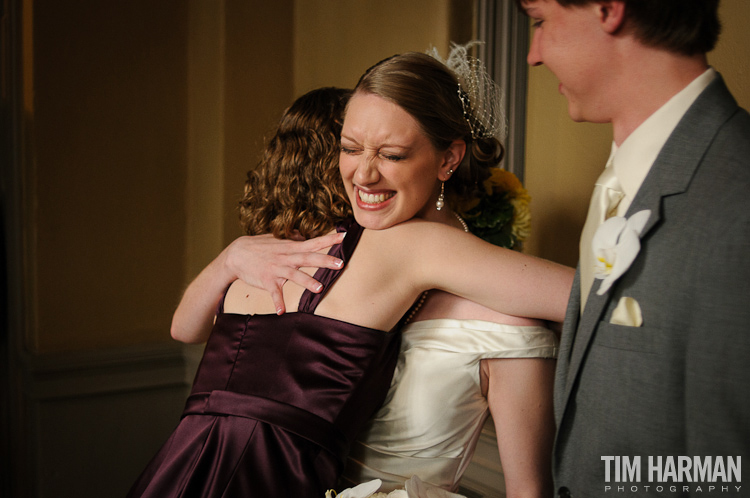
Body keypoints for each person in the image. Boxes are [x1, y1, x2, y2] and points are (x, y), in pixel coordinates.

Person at [130, 78, 573, 498]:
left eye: (389, 152)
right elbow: (574, 296)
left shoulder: (255, 259)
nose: (365, 171)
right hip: (271, 471)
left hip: (180, 463)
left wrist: (230, 256)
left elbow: (184, 329)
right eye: (351, 147)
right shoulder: (390, 248)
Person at [516, 1, 750, 496]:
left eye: (540, 21)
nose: (533, 55)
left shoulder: (738, 201)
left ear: (608, 8)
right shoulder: (626, 176)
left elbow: (731, 472)